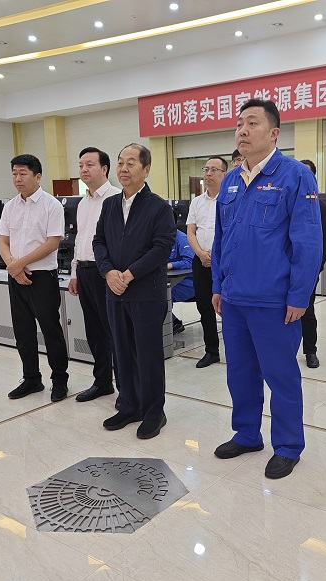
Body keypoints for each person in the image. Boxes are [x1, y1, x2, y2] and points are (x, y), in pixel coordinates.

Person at [211, 99, 322, 479]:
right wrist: (218, 285)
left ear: (274, 133)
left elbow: (308, 241)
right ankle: (246, 434)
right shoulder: (230, 180)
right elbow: (221, 239)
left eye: (252, 123)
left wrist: (299, 296)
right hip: (234, 298)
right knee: (239, 373)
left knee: (281, 376)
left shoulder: (294, 175)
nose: (242, 130)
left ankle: (288, 446)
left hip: (274, 301)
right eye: (239, 123)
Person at [93, 143, 176, 440]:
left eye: (131, 162)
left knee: (148, 355)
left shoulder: (159, 207)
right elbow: (99, 241)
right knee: (122, 352)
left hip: (146, 293)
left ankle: (154, 412)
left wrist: (129, 274)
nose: (123, 168)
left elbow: (162, 248)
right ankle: (129, 405)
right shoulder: (110, 205)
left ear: (146, 169)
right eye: (120, 162)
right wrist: (108, 272)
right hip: (115, 292)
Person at [0, 154, 69, 402]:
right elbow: (3, 241)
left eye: (23, 173)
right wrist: (13, 267)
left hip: (42, 277)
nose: (17, 178)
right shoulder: (10, 206)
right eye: (14, 173)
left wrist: (19, 264)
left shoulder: (51, 205)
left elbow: (52, 243)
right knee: (23, 331)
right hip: (16, 277)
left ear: (37, 176)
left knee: (51, 330)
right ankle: (31, 379)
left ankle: (59, 380)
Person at [67, 147, 121, 404]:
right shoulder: (83, 202)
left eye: (89, 165)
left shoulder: (116, 198)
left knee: (115, 332)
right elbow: (80, 239)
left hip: (106, 273)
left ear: (104, 169)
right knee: (95, 331)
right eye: (81, 165)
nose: (83, 170)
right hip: (85, 271)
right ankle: (102, 382)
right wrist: (74, 271)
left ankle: (125, 388)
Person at [186, 156, 226, 367]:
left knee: (228, 307)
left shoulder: (229, 199)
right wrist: (201, 254)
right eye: (206, 169)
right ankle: (211, 351)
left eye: (214, 170)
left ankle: (236, 349)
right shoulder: (197, 202)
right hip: (200, 261)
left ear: (224, 174)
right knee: (204, 306)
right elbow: (191, 231)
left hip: (225, 262)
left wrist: (216, 256)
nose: (208, 173)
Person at [299, 158, 326, 368]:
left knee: (307, 310)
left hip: (307, 270)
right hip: (282, 269)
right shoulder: (284, 202)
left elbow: (325, 239)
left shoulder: (320, 207)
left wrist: (317, 266)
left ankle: (310, 351)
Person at [168, 228, 195, 334]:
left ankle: (172, 323)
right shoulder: (158, 238)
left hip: (189, 282)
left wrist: (171, 265)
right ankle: (172, 322)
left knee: (163, 294)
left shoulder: (181, 238)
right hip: (170, 281)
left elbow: (190, 262)